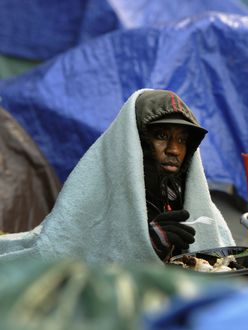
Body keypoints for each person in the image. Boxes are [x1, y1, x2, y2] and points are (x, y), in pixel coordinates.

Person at [0, 89, 234, 264]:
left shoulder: (196, 203)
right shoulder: (99, 194)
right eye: (162, 136)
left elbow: (222, 255)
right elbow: (68, 257)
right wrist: (149, 243)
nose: (174, 149)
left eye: (182, 140)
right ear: (138, 140)